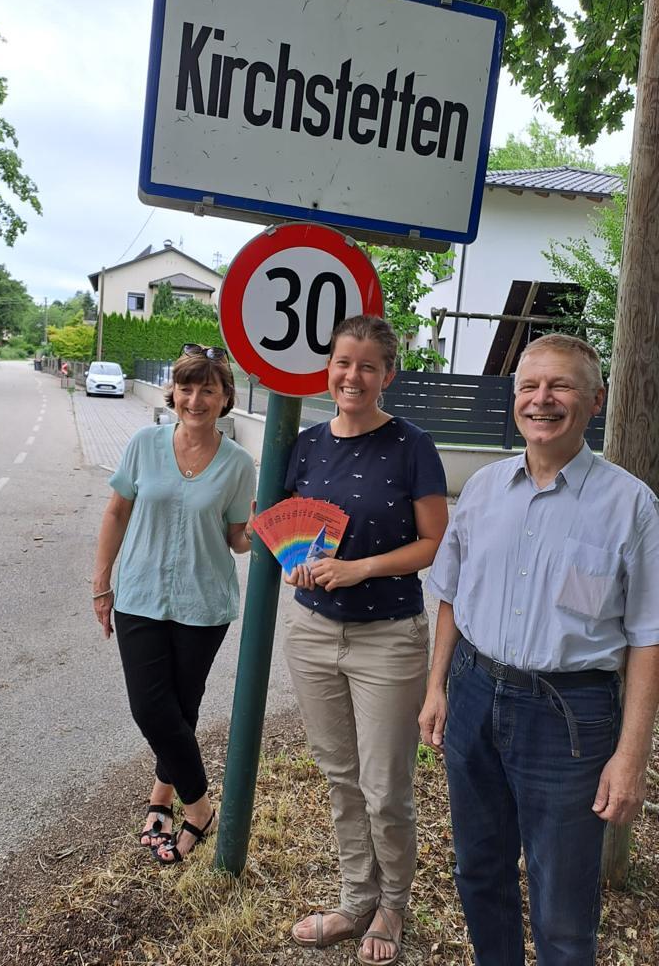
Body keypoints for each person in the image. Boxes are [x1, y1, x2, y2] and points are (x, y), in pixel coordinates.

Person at [421, 333, 659, 966]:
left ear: (595, 401)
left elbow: (648, 637)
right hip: (474, 693)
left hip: (569, 717)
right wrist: (437, 687)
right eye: (529, 386)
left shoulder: (631, 507)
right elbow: (451, 594)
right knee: (478, 870)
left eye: (560, 386)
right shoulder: (482, 489)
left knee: (562, 907)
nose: (541, 399)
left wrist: (632, 755)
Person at [284, 315, 448, 965]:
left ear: (388, 375)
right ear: (329, 368)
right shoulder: (307, 444)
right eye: (342, 362)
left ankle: (393, 906)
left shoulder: (412, 445)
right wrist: (297, 564)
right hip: (312, 633)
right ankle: (355, 902)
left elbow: (434, 543)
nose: (352, 376)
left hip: (389, 639)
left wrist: (361, 568)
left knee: (385, 787)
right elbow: (290, 533)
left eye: (367, 366)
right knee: (340, 777)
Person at [92, 344, 257, 864]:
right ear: (173, 392)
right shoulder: (144, 444)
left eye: (208, 389)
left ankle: (160, 799)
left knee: (181, 710)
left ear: (226, 397)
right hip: (139, 595)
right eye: (186, 388)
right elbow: (116, 512)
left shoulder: (238, 463)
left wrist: (261, 530)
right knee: (150, 708)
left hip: (203, 603)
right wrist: (101, 581)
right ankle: (202, 808)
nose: (195, 399)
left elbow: (236, 538)